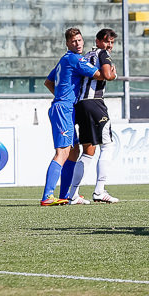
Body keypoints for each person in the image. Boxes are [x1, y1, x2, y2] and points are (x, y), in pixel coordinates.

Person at [40, 28, 101, 206]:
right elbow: (99, 74)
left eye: (80, 40)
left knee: (74, 151)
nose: (78, 44)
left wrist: (61, 95)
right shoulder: (74, 58)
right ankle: (47, 196)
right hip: (63, 109)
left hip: (65, 107)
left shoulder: (63, 60)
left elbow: (48, 82)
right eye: (74, 41)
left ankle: (66, 194)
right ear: (67, 43)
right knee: (63, 152)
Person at [64, 29, 119, 205]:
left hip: (80, 105)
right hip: (94, 103)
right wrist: (114, 74)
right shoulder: (102, 54)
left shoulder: (85, 56)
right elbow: (108, 75)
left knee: (88, 151)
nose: (109, 45)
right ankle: (99, 191)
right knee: (108, 146)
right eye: (106, 41)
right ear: (98, 41)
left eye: (111, 42)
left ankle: (73, 193)